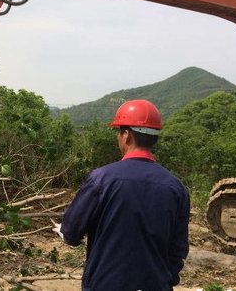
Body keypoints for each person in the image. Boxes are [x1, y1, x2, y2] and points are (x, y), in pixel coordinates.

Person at [56, 99, 189, 291]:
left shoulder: (102, 179)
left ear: (126, 135)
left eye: (119, 132)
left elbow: (70, 232)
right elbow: (178, 250)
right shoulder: (176, 188)